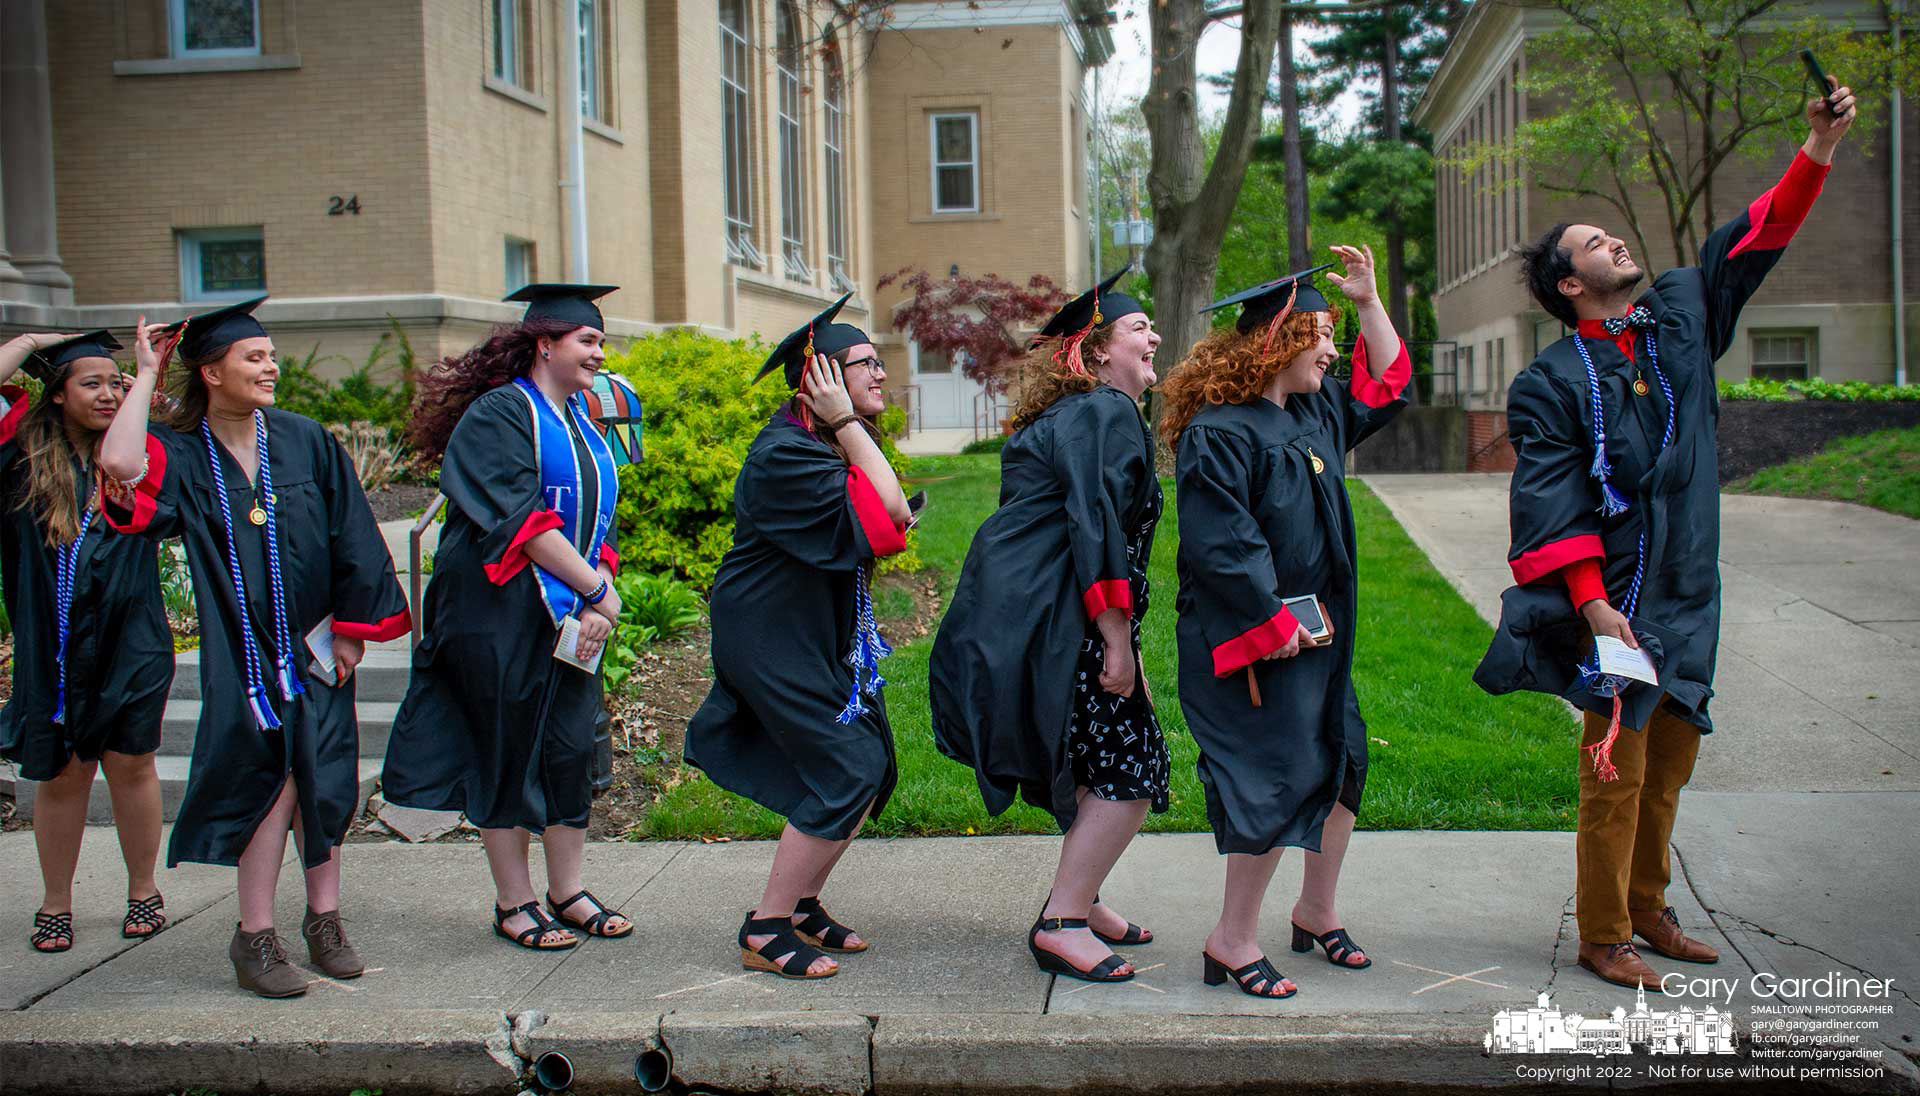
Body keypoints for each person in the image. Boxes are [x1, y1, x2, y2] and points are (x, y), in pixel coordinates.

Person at [1475, 81, 1856, 991]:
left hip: (1691, 590)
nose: (1615, 240)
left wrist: (1818, 146)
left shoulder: (1680, 319)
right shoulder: (1551, 383)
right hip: (1623, 601)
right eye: (1591, 244)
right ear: (1571, 286)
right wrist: (1596, 609)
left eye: (1612, 233)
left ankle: (1649, 907)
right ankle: (1604, 933)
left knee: (1673, 762)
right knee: (1616, 768)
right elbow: (1551, 507)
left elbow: (1751, 241)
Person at [98, 297, 411, 998]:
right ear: (211, 371)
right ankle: (255, 936)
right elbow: (119, 462)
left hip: (316, 645)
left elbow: (352, 535)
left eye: (271, 354)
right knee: (268, 783)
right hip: (240, 657)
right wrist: (145, 372)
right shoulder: (180, 454)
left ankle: (324, 922)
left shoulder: (303, 440)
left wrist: (354, 632)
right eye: (255, 357)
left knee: (325, 779)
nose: (272, 366)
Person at [1159, 247, 1410, 998]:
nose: (1333, 352)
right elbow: (1221, 543)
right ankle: (1231, 940)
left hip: (1318, 639)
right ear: (1278, 341)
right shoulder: (1221, 431)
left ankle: (1315, 911)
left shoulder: (1313, 409)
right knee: (1270, 784)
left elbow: (1387, 382)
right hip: (1257, 642)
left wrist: (1368, 302)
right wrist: (1272, 620)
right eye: (1322, 336)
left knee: (1341, 767)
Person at [383, 284, 635, 952]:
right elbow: (520, 520)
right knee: (507, 748)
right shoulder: (502, 414)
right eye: (588, 341)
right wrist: (595, 589)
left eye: (601, 342)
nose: (598, 353)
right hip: (499, 612)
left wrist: (593, 592)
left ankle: (568, 890)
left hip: (568, 616)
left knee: (569, 749)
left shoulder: (581, 417)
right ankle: (514, 902)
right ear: (545, 343)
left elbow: (594, 518)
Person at [930, 269, 1166, 984]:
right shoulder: (1105, 413)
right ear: (1096, 354)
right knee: (1131, 768)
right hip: (1070, 617)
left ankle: (1085, 900)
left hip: (1045, 613)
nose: (1154, 336)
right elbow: (1095, 525)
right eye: (1137, 329)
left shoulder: (1074, 415)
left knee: (1098, 760)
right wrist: (1119, 640)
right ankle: (1061, 922)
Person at [684, 293, 911, 981]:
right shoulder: (786, 454)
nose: (879, 374)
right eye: (862, 364)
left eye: (877, 362)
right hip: (768, 636)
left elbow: (884, 509)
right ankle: (766, 925)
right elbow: (893, 520)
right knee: (848, 768)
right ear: (821, 382)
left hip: (817, 632)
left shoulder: (817, 439)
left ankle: (805, 903)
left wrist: (844, 425)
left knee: (875, 766)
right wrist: (847, 423)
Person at [0, 331, 172, 953]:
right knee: (64, 773)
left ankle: (144, 890)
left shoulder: (140, 451)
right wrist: (27, 340)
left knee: (132, 761)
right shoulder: (17, 460)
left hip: (133, 638)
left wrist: (141, 390)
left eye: (115, 382)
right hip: (52, 642)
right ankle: (56, 903)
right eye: (90, 382)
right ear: (55, 394)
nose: (107, 393)